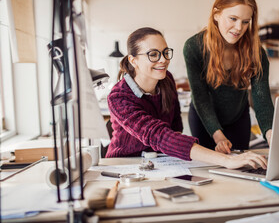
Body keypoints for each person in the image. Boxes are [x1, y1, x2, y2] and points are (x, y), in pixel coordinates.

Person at [105, 27, 267, 169]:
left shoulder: (166, 80)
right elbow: (158, 135)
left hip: (160, 163)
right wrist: (226, 160)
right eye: (153, 54)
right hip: (124, 165)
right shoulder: (119, 97)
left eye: (165, 52)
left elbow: (175, 126)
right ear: (134, 60)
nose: (163, 60)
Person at [183, 0, 274, 154]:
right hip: (203, 119)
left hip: (238, 119)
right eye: (233, 18)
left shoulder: (256, 51)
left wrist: (270, 133)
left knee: (241, 168)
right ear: (216, 14)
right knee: (207, 170)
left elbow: (261, 97)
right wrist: (218, 136)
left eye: (246, 21)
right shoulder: (194, 47)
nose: (239, 28)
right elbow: (200, 96)